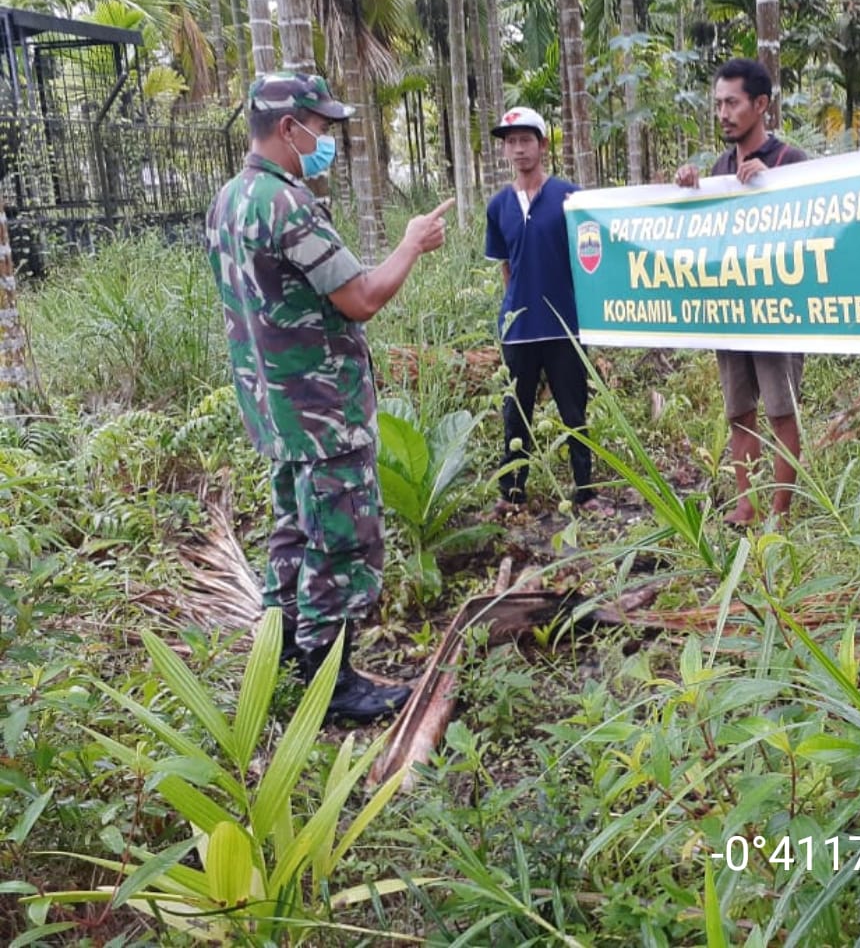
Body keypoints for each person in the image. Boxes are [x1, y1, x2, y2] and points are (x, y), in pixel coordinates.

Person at [206, 71, 453, 724]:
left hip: (275, 410)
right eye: (320, 126)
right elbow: (362, 297)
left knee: (292, 531)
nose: (325, 140)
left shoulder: (230, 199)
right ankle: (330, 682)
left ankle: (284, 654)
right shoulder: (286, 205)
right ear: (288, 128)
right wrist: (410, 245)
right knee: (340, 541)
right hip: (322, 411)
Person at [675, 59, 808, 527]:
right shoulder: (718, 167)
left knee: (781, 411)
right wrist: (694, 190)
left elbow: (815, 226)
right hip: (730, 312)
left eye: (732, 103)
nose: (723, 113)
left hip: (777, 313)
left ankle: (779, 513)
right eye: (718, 104)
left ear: (760, 105)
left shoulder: (789, 161)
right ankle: (745, 505)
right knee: (739, 412)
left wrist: (771, 187)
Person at [484, 107, 609, 515]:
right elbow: (505, 264)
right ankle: (512, 493)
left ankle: (585, 491)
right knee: (515, 413)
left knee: (574, 411)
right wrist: (514, 308)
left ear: (542, 145)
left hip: (564, 326)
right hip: (519, 330)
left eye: (525, 140)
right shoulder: (498, 205)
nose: (518, 149)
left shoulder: (570, 198)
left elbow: (591, 257)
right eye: (510, 142)